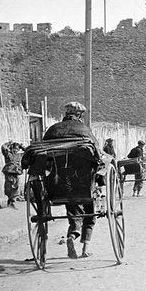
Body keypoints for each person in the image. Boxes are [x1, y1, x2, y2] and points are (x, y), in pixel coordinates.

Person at [42, 101, 102, 259]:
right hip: (83, 182)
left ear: (65, 114)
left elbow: (41, 154)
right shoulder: (83, 129)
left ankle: (72, 235)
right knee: (90, 209)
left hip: (59, 184)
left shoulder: (53, 129)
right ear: (80, 115)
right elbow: (97, 154)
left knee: (73, 207)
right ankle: (85, 247)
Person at [0, 140, 25, 208]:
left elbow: (26, 151)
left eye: (17, 149)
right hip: (9, 171)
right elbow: (3, 147)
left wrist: (21, 146)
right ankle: (10, 200)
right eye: (15, 148)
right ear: (12, 148)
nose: (16, 150)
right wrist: (8, 143)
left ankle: (12, 200)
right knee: (9, 185)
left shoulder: (19, 155)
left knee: (16, 186)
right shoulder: (8, 153)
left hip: (16, 172)